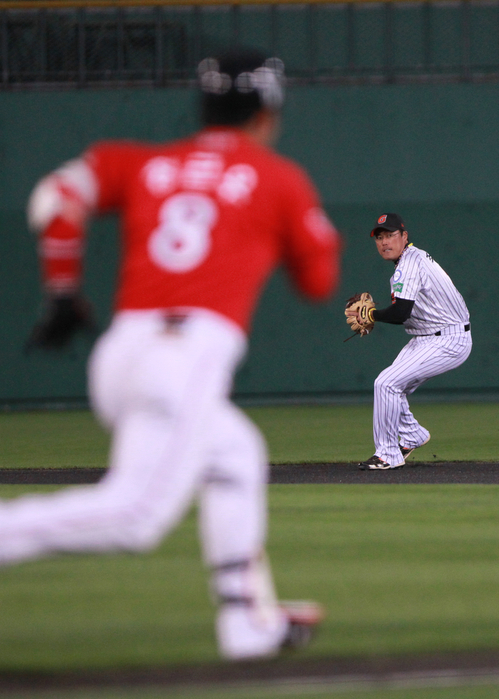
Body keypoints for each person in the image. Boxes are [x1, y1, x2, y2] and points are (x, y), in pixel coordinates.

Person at [0, 49, 342, 660]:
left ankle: (247, 626)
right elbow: (318, 282)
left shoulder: (141, 162)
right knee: (134, 518)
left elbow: (57, 199)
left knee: (238, 453)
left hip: (123, 352)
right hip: (184, 357)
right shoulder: (278, 177)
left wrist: (61, 290)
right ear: (267, 113)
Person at [357, 213, 471, 471]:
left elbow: (400, 314)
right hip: (429, 337)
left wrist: (371, 314)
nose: (385, 242)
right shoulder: (411, 258)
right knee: (395, 389)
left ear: (404, 236)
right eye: (380, 237)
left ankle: (388, 454)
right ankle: (412, 435)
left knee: (386, 383)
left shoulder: (409, 263)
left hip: (448, 339)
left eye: (391, 235)